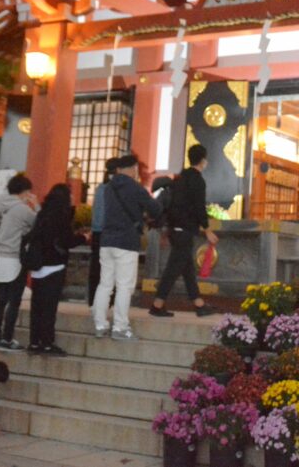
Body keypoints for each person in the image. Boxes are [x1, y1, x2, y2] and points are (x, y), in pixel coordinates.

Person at [92, 153, 161, 340]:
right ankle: (120, 328)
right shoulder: (135, 187)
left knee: (105, 284)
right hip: (126, 242)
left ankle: (100, 324)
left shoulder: (107, 188)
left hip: (106, 241)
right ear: (133, 169)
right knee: (124, 286)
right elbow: (155, 208)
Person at [150, 144, 219, 318]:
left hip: (175, 229)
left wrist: (167, 230)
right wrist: (208, 230)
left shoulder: (180, 178)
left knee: (187, 269)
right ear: (203, 160)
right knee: (173, 269)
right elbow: (199, 208)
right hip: (186, 230)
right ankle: (157, 304)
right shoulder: (197, 180)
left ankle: (199, 304)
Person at [27, 184, 86, 355]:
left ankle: (35, 342)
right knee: (49, 308)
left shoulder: (42, 215)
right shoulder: (60, 217)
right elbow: (67, 240)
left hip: (38, 266)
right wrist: (83, 237)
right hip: (54, 266)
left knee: (37, 306)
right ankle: (47, 342)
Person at [0, 175, 37, 352]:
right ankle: (7, 338)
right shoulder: (22, 209)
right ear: (24, 192)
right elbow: (37, 223)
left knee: (0, 299)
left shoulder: (1, 205)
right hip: (14, 256)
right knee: (14, 300)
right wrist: (36, 204)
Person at [87, 158, 122, 308]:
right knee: (110, 269)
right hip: (110, 233)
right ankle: (108, 300)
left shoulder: (100, 188)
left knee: (96, 267)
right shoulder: (116, 189)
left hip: (97, 232)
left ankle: (93, 299)